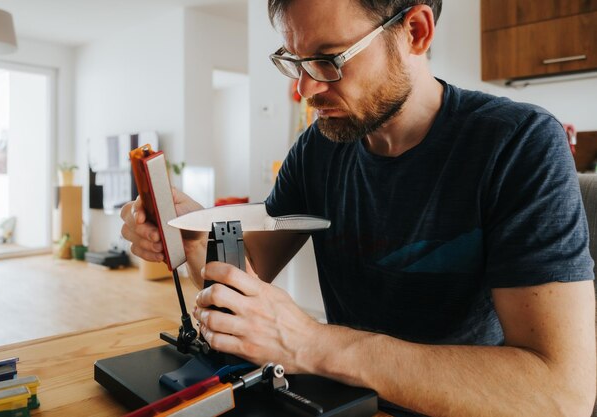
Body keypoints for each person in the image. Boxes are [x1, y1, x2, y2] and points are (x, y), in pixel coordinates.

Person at [120, 1, 596, 415]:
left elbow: (560, 394)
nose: (305, 90)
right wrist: (196, 237)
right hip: (342, 403)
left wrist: (310, 343)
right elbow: (247, 272)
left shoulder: (519, 143)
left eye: (328, 60)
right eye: (296, 61)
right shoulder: (317, 149)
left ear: (415, 31)